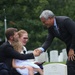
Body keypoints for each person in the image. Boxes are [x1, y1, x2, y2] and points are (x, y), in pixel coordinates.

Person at [34, 10, 75, 75]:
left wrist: (72, 49)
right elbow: (48, 40)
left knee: (70, 68)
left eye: (44, 22)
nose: (43, 24)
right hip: (70, 47)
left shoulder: (65, 21)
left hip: (72, 47)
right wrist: (40, 49)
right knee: (70, 68)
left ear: (50, 18)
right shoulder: (51, 28)